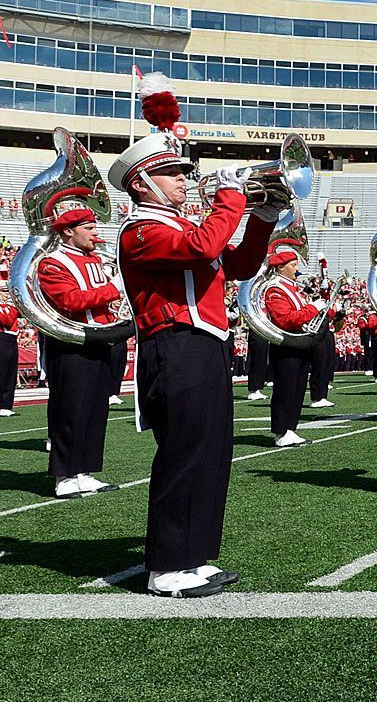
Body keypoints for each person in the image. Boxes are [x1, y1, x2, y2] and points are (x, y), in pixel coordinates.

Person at [112, 73, 279, 597]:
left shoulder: (182, 224)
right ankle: (166, 567)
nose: (185, 179)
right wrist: (231, 198)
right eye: (172, 173)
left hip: (205, 345)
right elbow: (204, 248)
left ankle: (195, 553)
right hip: (175, 347)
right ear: (141, 182)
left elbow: (241, 263)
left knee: (212, 451)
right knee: (185, 452)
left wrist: (263, 218)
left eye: (185, 171)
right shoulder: (140, 229)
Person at [36, 203, 124, 496]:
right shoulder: (53, 263)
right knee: (70, 410)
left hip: (99, 340)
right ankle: (63, 475)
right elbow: (71, 301)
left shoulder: (95, 259)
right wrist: (115, 288)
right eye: (88, 228)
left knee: (95, 411)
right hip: (71, 344)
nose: (95, 233)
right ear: (69, 231)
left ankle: (84, 470)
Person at [260, 250, 324, 447]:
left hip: (299, 341)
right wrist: (314, 308)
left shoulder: (293, 287)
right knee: (285, 388)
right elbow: (285, 319)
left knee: (297, 388)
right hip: (286, 343)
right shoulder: (275, 289)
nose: (297, 269)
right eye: (293, 265)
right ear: (280, 267)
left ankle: (290, 428)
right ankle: (281, 430)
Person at [0, 288, 17, 417]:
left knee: (11, 373)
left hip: (11, 338)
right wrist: (11, 307)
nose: (6, 293)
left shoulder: (9, 306)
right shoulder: (6, 307)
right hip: (2, 338)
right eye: (3, 291)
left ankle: (7, 405)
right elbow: (7, 320)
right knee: (2, 372)